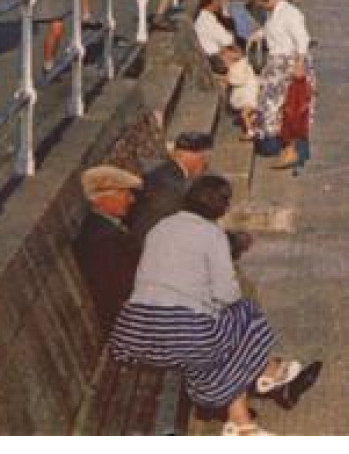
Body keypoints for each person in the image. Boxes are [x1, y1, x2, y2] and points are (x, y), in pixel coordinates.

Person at [108, 175, 315, 436]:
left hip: (133, 333)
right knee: (244, 314)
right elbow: (227, 294)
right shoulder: (212, 234)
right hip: (182, 334)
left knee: (216, 340)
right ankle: (269, 373)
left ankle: (242, 421)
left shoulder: (159, 228)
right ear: (222, 207)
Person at [251, 0, 314, 173]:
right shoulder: (274, 12)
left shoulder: (290, 13)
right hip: (276, 64)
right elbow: (275, 31)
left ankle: (290, 150)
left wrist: (300, 64)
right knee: (273, 108)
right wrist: (260, 34)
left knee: (289, 109)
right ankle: (283, 146)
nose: (259, 5)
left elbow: (302, 39)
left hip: (289, 64)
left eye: (260, 0)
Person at [73, 165, 144, 331]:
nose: (131, 200)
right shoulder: (102, 239)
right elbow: (115, 289)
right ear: (101, 199)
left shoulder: (104, 229)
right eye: (125, 194)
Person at [194, 0, 261, 139]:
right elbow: (227, 40)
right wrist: (238, 54)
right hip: (216, 59)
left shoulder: (204, 19)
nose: (221, 3)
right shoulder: (208, 21)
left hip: (217, 56)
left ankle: (249, 112)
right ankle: (248, 111)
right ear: (212, 2)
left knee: (248, 73)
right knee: (247, 75)